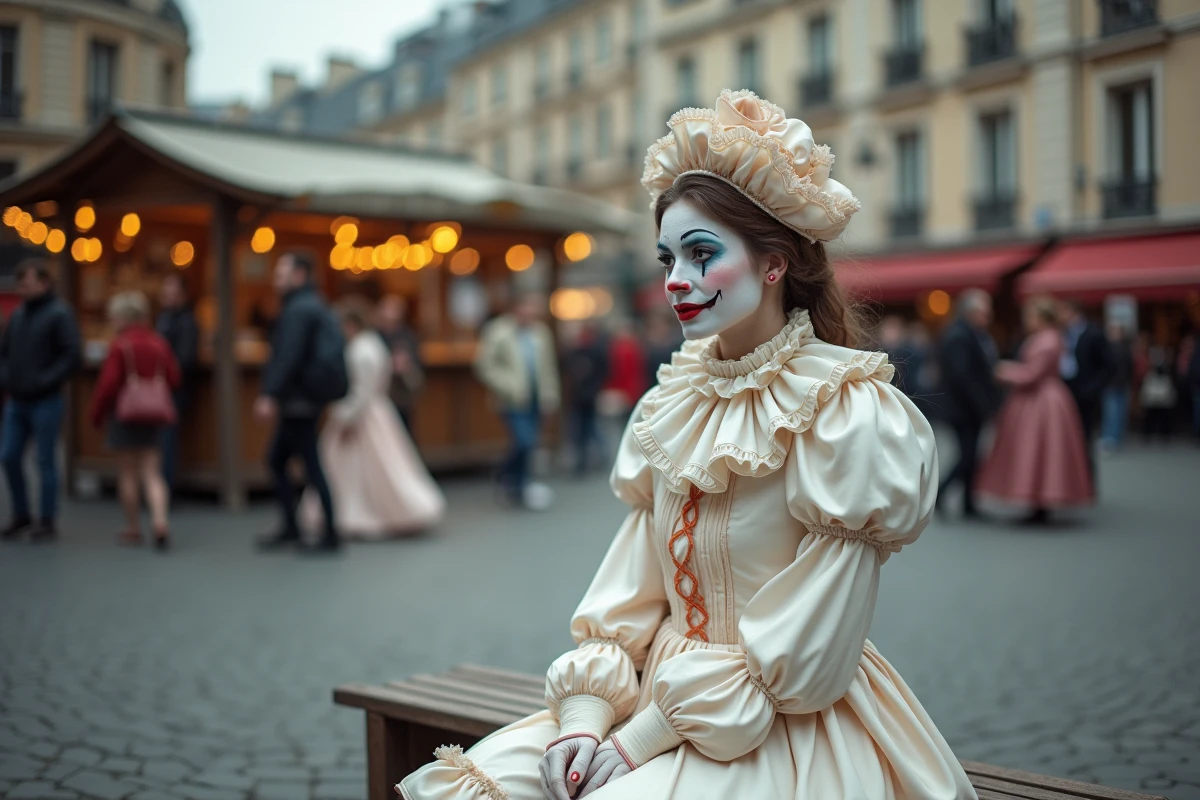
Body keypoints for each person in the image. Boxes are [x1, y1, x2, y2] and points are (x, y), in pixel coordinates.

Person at [399, 90, 973, 800]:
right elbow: (629, 595)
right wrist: (584, 718)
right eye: (668, 256)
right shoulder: (675, 399)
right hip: (652, 700)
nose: (677, 279)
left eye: (702, 254)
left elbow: (801, 661)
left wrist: (640, 741)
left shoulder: (845, 411)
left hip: (782, 727)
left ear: (774, 264)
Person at [299, 300, 444, 537]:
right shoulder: (373, 345)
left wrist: (346, 418)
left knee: (363, 471)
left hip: (363, 415)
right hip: (377, 413)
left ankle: (360, 514)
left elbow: (361, 392)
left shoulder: (361, 350)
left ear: (350, 325)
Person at [975, 296, 1093, 524]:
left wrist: (1003, 371)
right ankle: (1038, 501)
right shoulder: (1047, 337)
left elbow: (1032, 374)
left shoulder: (1047, 339)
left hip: (1041, 400)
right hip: (1043, 399)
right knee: (1040, 451)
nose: (1027, 320)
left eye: (1030, 316)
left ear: (1041, 318)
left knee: (1036, 450)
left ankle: (1040, 502)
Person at [256, 251, 341, 553]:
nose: (276, 280)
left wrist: (270, 394)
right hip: (304, 399)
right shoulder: (312, 305)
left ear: (299, 275)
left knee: (307, 464)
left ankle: (328, 533)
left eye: (281, 274)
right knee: (282, 460)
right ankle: (295, 526)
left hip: (298, 401)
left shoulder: (298, 310)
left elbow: (287, 356)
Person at [89, 291, 180, 549]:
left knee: (128, 471)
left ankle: (133, 527)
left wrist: (96, 415)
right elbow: (174, 378)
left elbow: (108, 385)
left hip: (125, 413)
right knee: (152, 472)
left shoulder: (121, 345)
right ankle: (160, 521)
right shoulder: (158, 342)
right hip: (153, 414)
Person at [0, 260, 80, 542]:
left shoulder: (59, 314)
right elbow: (5, 352)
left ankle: (47, 519)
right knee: (8, 456)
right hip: (17, 399)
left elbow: (71, 355)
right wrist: (7, 377)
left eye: (27, 283)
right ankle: (21, 514)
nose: (22, 289)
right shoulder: (18, 316)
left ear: (43, 283)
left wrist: (45, 381)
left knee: (45, 460)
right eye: (20, 284)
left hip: (45, 399)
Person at [474, 292, 561, 509]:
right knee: (524, 441)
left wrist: (550, 397)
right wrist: (507, 385)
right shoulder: (498, 332)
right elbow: (485, 365)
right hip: (511, 399)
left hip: (535, 397)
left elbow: (548, 368)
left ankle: (514, 484)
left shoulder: (541, 333)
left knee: (529, 443)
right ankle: (512, 480)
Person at [935, 289, 999, 519]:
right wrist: (983, 405)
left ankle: (968, 504)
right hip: (963, 409)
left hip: (968, 408)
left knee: (972, 456)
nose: (988, 316)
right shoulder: (959, 336)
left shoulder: (970, 333)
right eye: (985, 311)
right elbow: (962, 377)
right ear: (972, 312)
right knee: (968, 456)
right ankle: (941, 494)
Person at [1058, 299, 1114, 485]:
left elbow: (1108, 366)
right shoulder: (1061, 334)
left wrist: (1092, 389)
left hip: (1086, 396)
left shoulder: (1093, 333)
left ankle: (1087, 482)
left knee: (1084, 439)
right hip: (1065, 394)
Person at [155, 272, 198, 491]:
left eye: (172, 290)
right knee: (160, 442)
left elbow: (185, 359)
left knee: (167, 441)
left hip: (173, 390)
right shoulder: (164, 317)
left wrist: (166, 376)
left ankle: (166, 489)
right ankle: (158, 489)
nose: (167, 295)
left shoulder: (186, 321)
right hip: (160, 389)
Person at [561, 319, 609, 477]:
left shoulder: (595, 350)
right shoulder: (573, 351)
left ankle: (596, 456)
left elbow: (602, 371)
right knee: (581, 429)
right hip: (577, 397)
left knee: (589, 427)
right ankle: (585, 460)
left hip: (589, 396)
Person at [376, 294, 424, 431]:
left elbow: (418, 365)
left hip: (403, 396)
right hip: (382, 395)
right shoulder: (375, 335)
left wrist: (406, 365)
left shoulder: (408, 336)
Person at [1100, 321, 1134, 451]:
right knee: (1115, 411)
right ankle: (1113, 437)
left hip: (1115, 383)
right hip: (1116, 383)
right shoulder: (1124, 348)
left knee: (1114, 412)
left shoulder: (1116, 348)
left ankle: (1112, 438)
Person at [1139, 346, 1176, 443]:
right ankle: (1149, 434)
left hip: (1160, 396)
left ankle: (1162, 434)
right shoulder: (1150, 370)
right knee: (1151, 416)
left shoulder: (1165, 370)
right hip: (1153, 395)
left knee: (1161, 416)